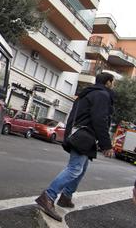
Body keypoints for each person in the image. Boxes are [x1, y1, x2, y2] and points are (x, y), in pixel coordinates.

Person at [35, 72, 115, 222]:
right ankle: (48, 196)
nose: (113, 86)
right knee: (75, 169)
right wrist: (107, 145)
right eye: (113, 82)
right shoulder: (102, 95)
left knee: (81, 168)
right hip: (84, 136)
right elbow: (100, 120)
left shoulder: (87, 94)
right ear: (108, 83)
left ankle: (66, 196)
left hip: (79, 134)